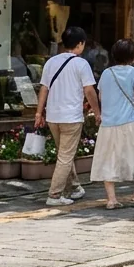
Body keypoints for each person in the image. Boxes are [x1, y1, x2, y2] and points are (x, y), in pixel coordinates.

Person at [34, 26, 99, 207]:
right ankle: (54, 195)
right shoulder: (81, 64)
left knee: (64, 154)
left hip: (53, 116)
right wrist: (97, 111)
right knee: (65, 156)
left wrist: (39, 112)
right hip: (71, 117)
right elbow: (89, 91)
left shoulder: (51, 62)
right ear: (80, 44)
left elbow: (44, 88)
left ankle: (75, 187)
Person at [93, 39, 134, 208]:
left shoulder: (106, 73)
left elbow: (101, 96)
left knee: (109, 159)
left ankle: (111, 199)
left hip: (108, 124)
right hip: (130, 122)